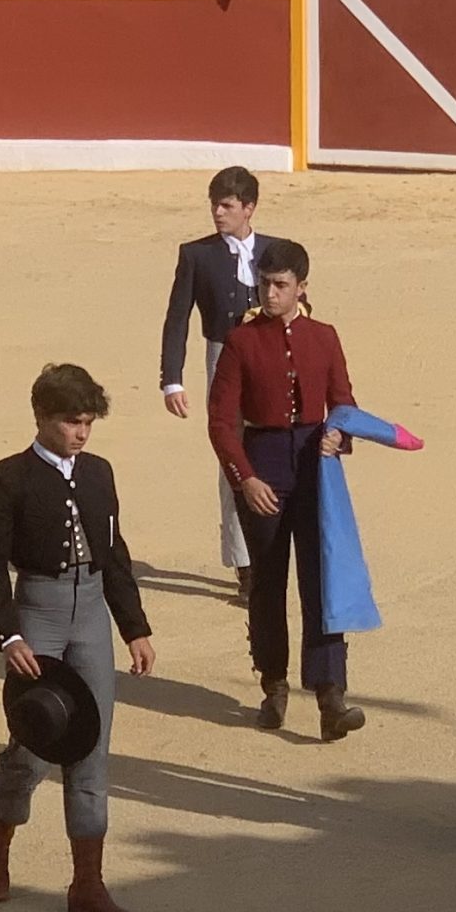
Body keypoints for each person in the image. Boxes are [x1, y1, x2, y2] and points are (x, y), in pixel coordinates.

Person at [0, 363, 156, 912]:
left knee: (92, 747)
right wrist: (9, 634)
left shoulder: (99, 473)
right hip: (39, 614)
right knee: (34, 741)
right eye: (72, 422)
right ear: (42, 418)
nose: (82, 433)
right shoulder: (6, 479)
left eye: (88, 423)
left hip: (91, 612)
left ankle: (87, 884)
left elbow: (114, 552)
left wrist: (135, 626)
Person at [207, 239, 365, 738]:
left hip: (315, 464)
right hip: (264, 461)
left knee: (322, 579)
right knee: (268, 582)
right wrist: (245, 478)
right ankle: (273, 683)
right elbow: (220, 423)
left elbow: (343, 402)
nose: (270, 293)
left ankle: (330, 694)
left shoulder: (325, 336)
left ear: (301, 287)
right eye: (265, 284)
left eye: (280, 285)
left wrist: (338, 435)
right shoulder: (242, 341)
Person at [158, 167, 293, 593]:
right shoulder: (197, 254)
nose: (218, 213)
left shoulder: (277, 250)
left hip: (272, 355)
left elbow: (297, 308)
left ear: (249, 208)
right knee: (232, 453)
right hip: (223, 357)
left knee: (275, 446)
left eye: (227, 206)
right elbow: (177, 317)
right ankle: (245, 562)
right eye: (214, 204)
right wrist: (172, 379)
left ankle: (274, 547)